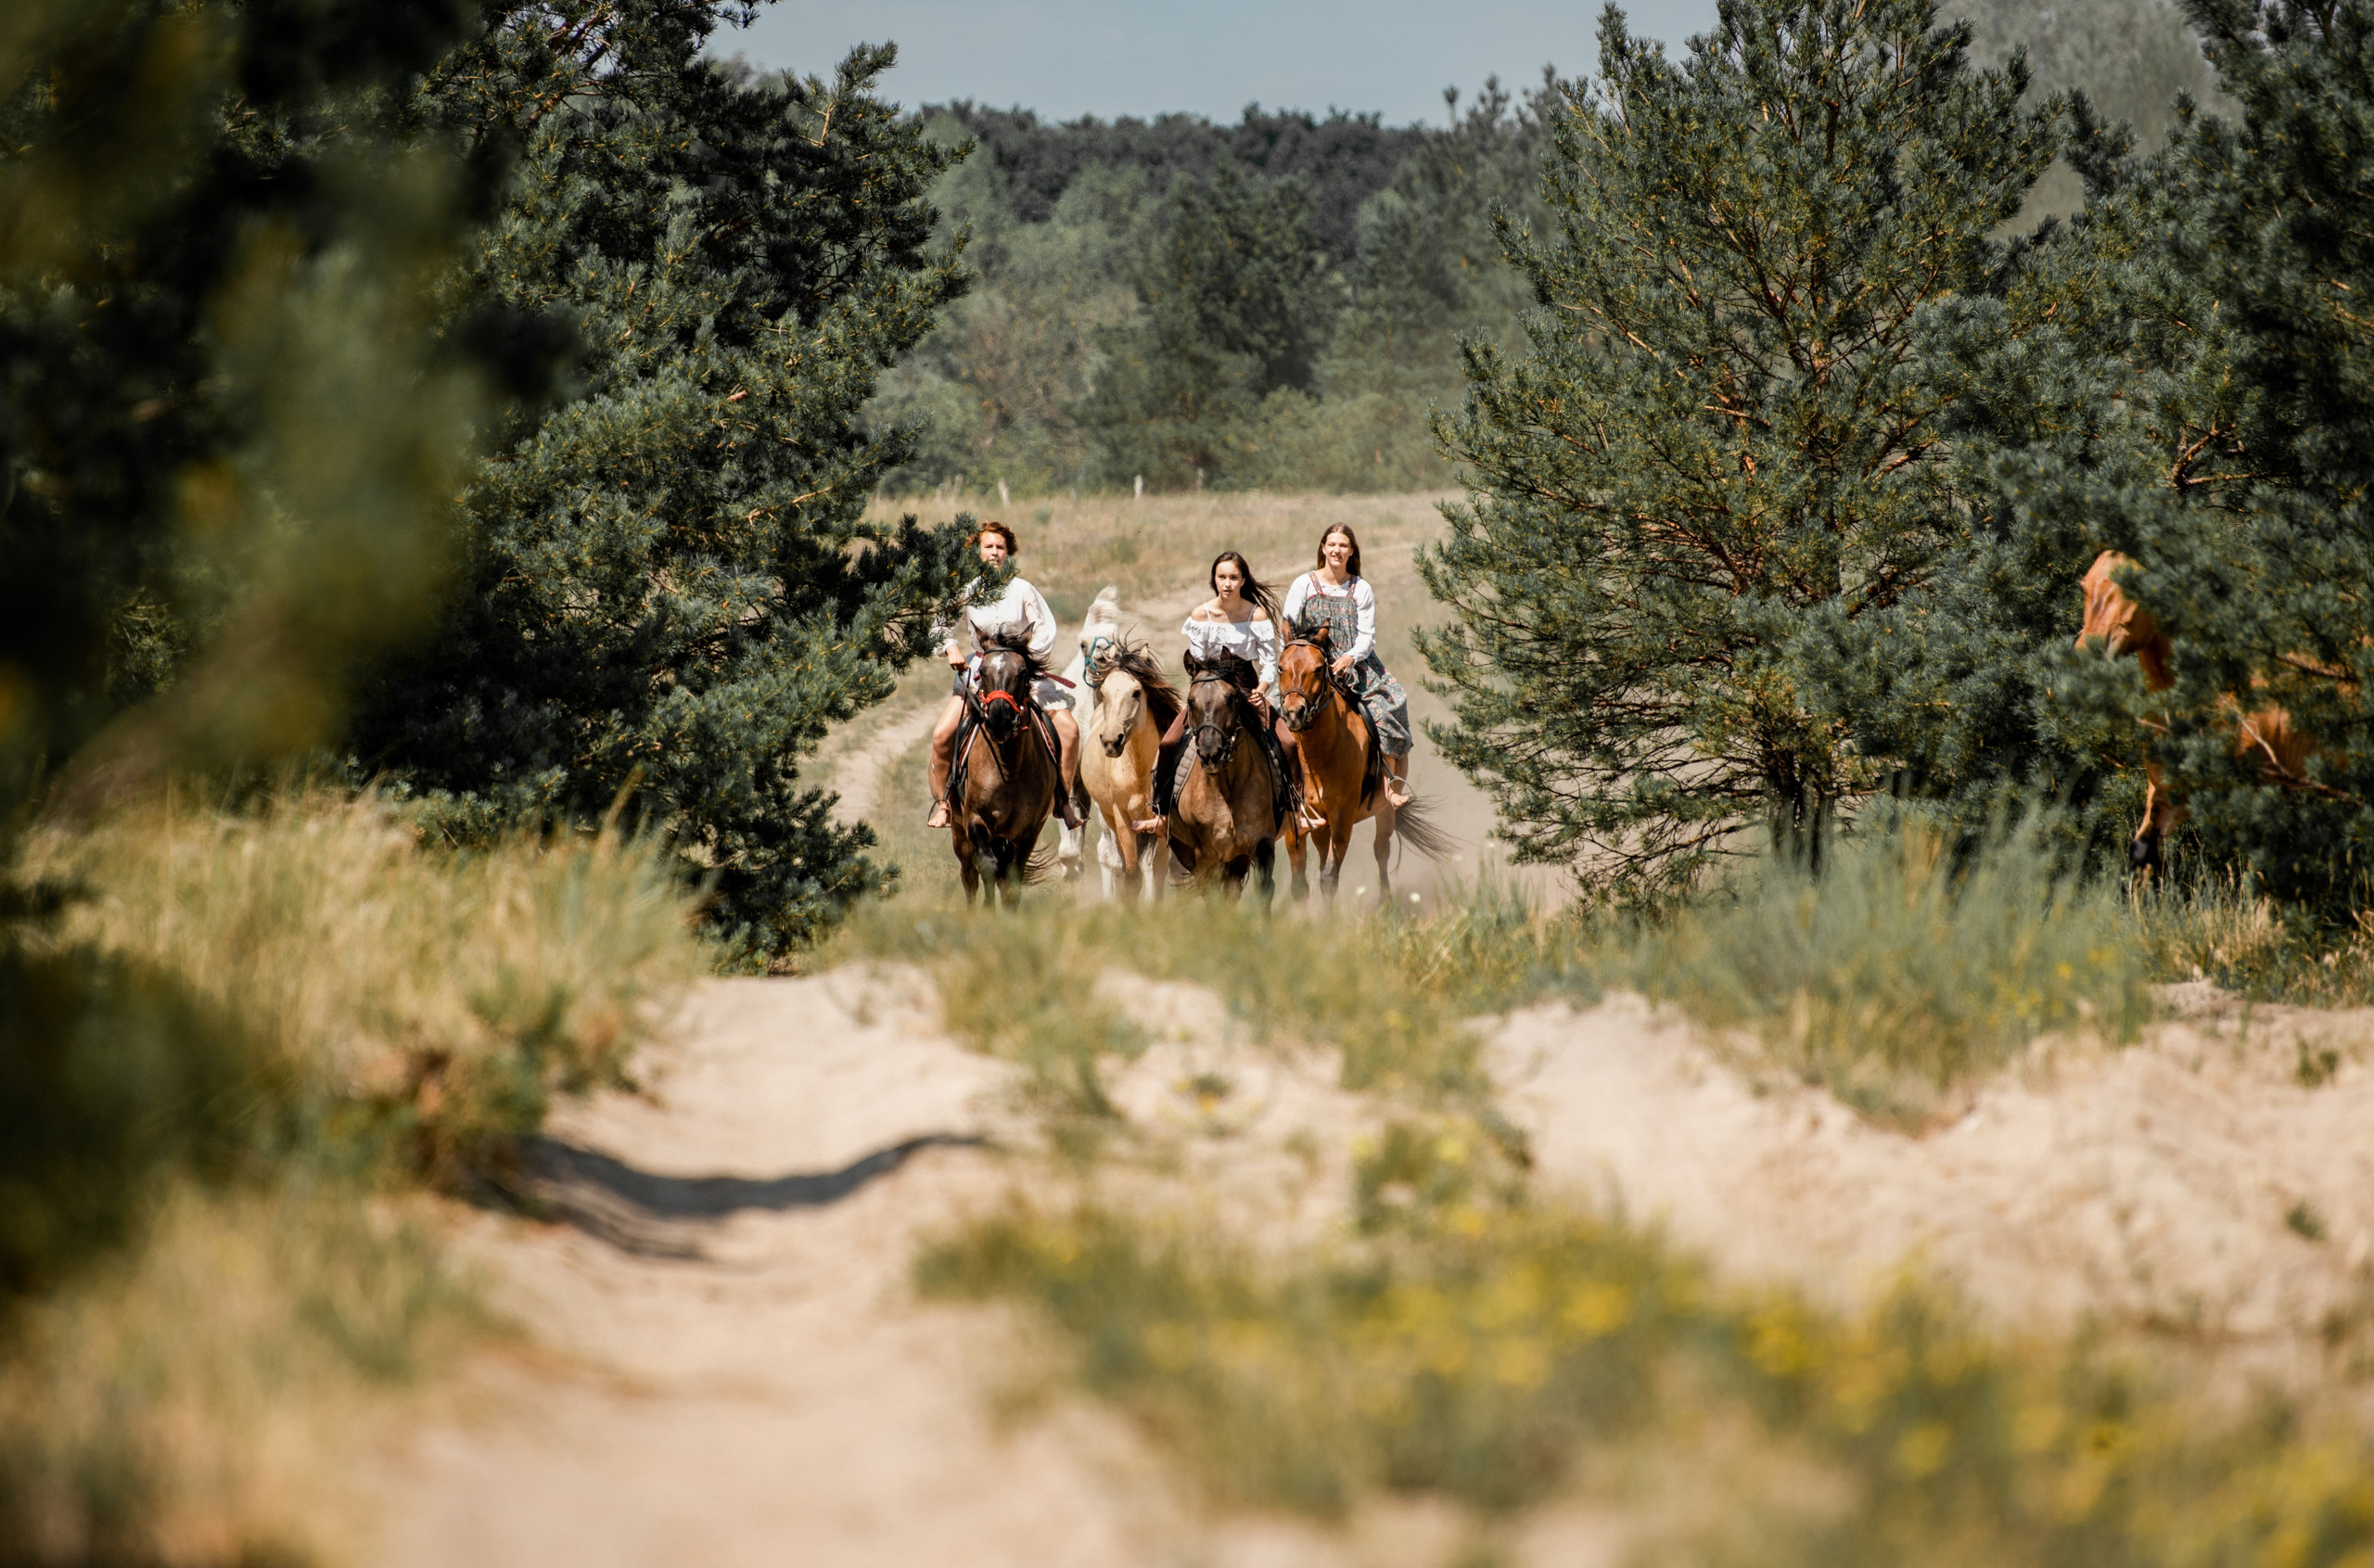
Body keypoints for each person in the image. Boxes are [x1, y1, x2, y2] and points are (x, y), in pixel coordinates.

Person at [1136, 551, 1321, 835]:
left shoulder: (1255, 614)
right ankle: (1161, 815)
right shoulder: (1201, 615)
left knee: (1288, 744)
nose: (1227, 583)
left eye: (1234, 577)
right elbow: (1198, 666)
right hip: (1210, 692)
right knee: (1168, 744)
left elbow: (1270, 664)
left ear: (1243, 580)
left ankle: (1296, 813)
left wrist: (1261, 690)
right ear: (1214, 579)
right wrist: (1204, 693)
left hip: (1249, 690)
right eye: (1222, 577)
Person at [926, 521, 1080, 830]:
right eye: (989, 547)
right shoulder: (966, 590)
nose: (995, 552)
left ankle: (1062, 799)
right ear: (977, 552)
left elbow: (1045, 631)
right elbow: (938, 628)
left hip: (1020, 672)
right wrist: (951, 648)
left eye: (1000, 547)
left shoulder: (1023, 589)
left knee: (1070, 730)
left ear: (1008, 553)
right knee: (942, 736)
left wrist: (1020, 659)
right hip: (981, 672)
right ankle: (944, 803)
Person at [1280, 523, 1413, 808]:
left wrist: (1350, 657)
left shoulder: (1360, 588)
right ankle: (1277, 785)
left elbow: (1367, 636)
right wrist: (1298, 654)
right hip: (1307, 664)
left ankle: (1390, 784)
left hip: (1353, 664)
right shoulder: (1304, 583)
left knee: (1391, 704)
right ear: (1323, 548)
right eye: (1332, 544)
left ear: (1351, 551)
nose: (1337, 550)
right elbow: (1287, 623)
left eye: (1343, 545)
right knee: (1271, 711)